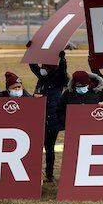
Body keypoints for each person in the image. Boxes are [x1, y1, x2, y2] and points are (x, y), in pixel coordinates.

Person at [28, 50, 69, 184]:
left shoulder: (58, 79)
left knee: (49, 146)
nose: (42, 68)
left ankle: (49, 174)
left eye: (45, 66)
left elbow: (63, 72)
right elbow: (33, 67)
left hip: (53, 119)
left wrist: (62, 60)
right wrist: (30, 52)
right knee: (37, 146)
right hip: (39, 118)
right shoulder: (42, 78)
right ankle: (34, 173)